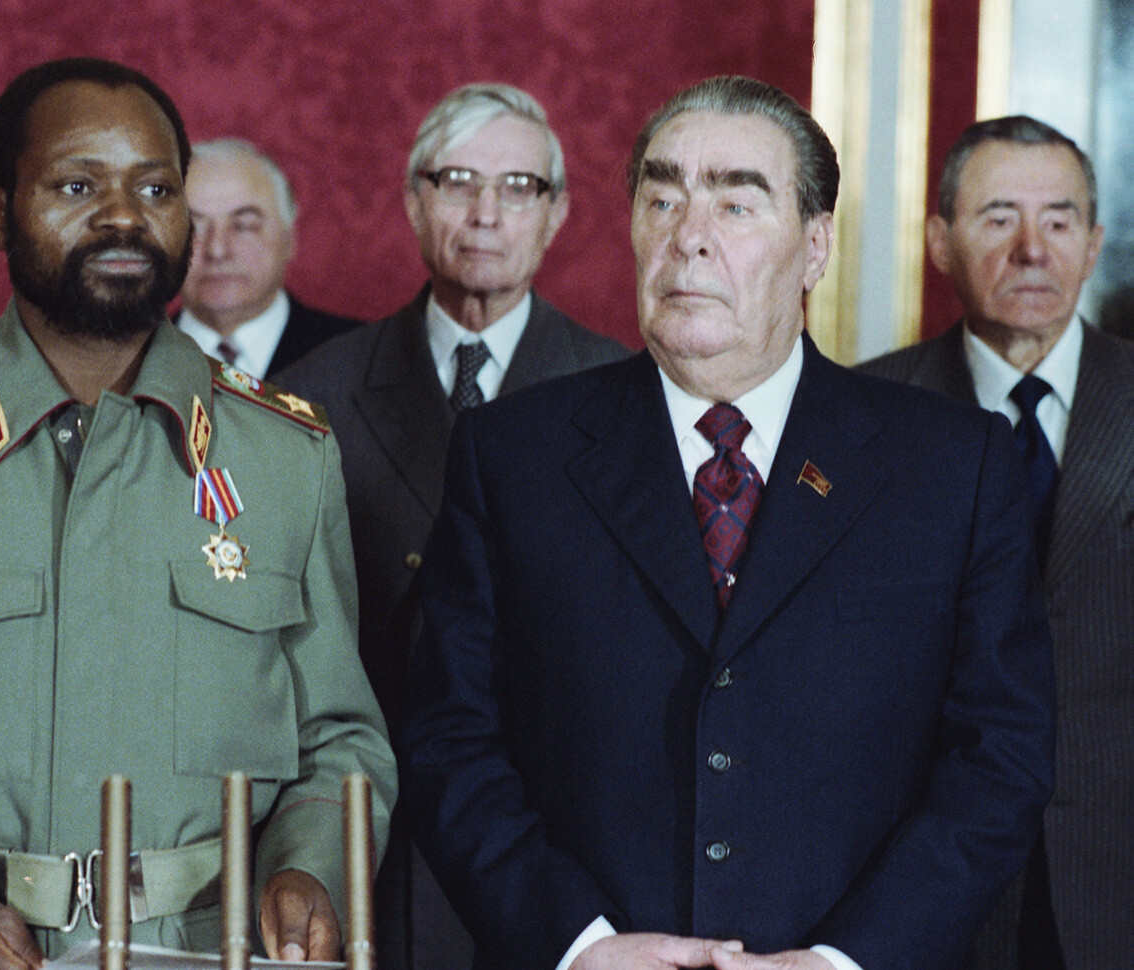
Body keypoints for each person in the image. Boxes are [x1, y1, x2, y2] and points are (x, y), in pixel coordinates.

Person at [399, 76, 1056, 970]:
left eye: (737, 203)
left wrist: (845, 961)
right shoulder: (512, 455)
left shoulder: (954, 464)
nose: (688, 236)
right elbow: (449, 736)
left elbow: (1000, 759)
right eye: (662, 198)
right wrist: (578, 946)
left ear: (815, 244)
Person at [0, 57, 395, 970]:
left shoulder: (289, 456)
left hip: (219, 949)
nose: (125, 215)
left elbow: (342, 735)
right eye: (77, 184)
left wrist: (312, 869)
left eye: (156, 187)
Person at [279, 83, 627, 970]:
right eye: (458, 181)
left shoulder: (619, 393)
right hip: (379, 834)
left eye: (519, 188)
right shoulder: (319, 392)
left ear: (556, 216)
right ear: (411, 201)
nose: (485, 213)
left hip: (564, 847)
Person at [859, 115, 1134, 970]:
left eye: (1058, 222)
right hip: (924, 888)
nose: (1031, 249)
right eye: (998, 217)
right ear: (939, 241)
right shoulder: (864, 418)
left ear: (1093, 245)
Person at [176, 138, 361, 380]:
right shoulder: (126, 364)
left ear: (290, 237)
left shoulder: (361, 357)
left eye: (244, 226)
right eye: (193, 227)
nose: (217, 250)